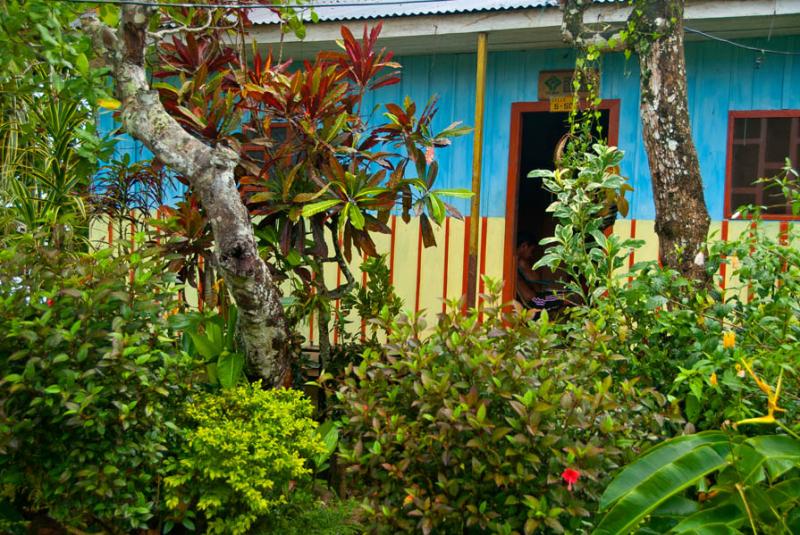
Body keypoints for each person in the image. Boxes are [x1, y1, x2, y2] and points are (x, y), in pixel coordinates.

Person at [515, 231, 565, 311]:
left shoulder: (517, 263)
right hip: (535, 301)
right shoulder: (517, 265)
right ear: (524, 246)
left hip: (536, 299)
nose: (532, 255)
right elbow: (531, 295)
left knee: (566, 296)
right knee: (567, 298)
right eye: (532, 251)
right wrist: (525, 266)